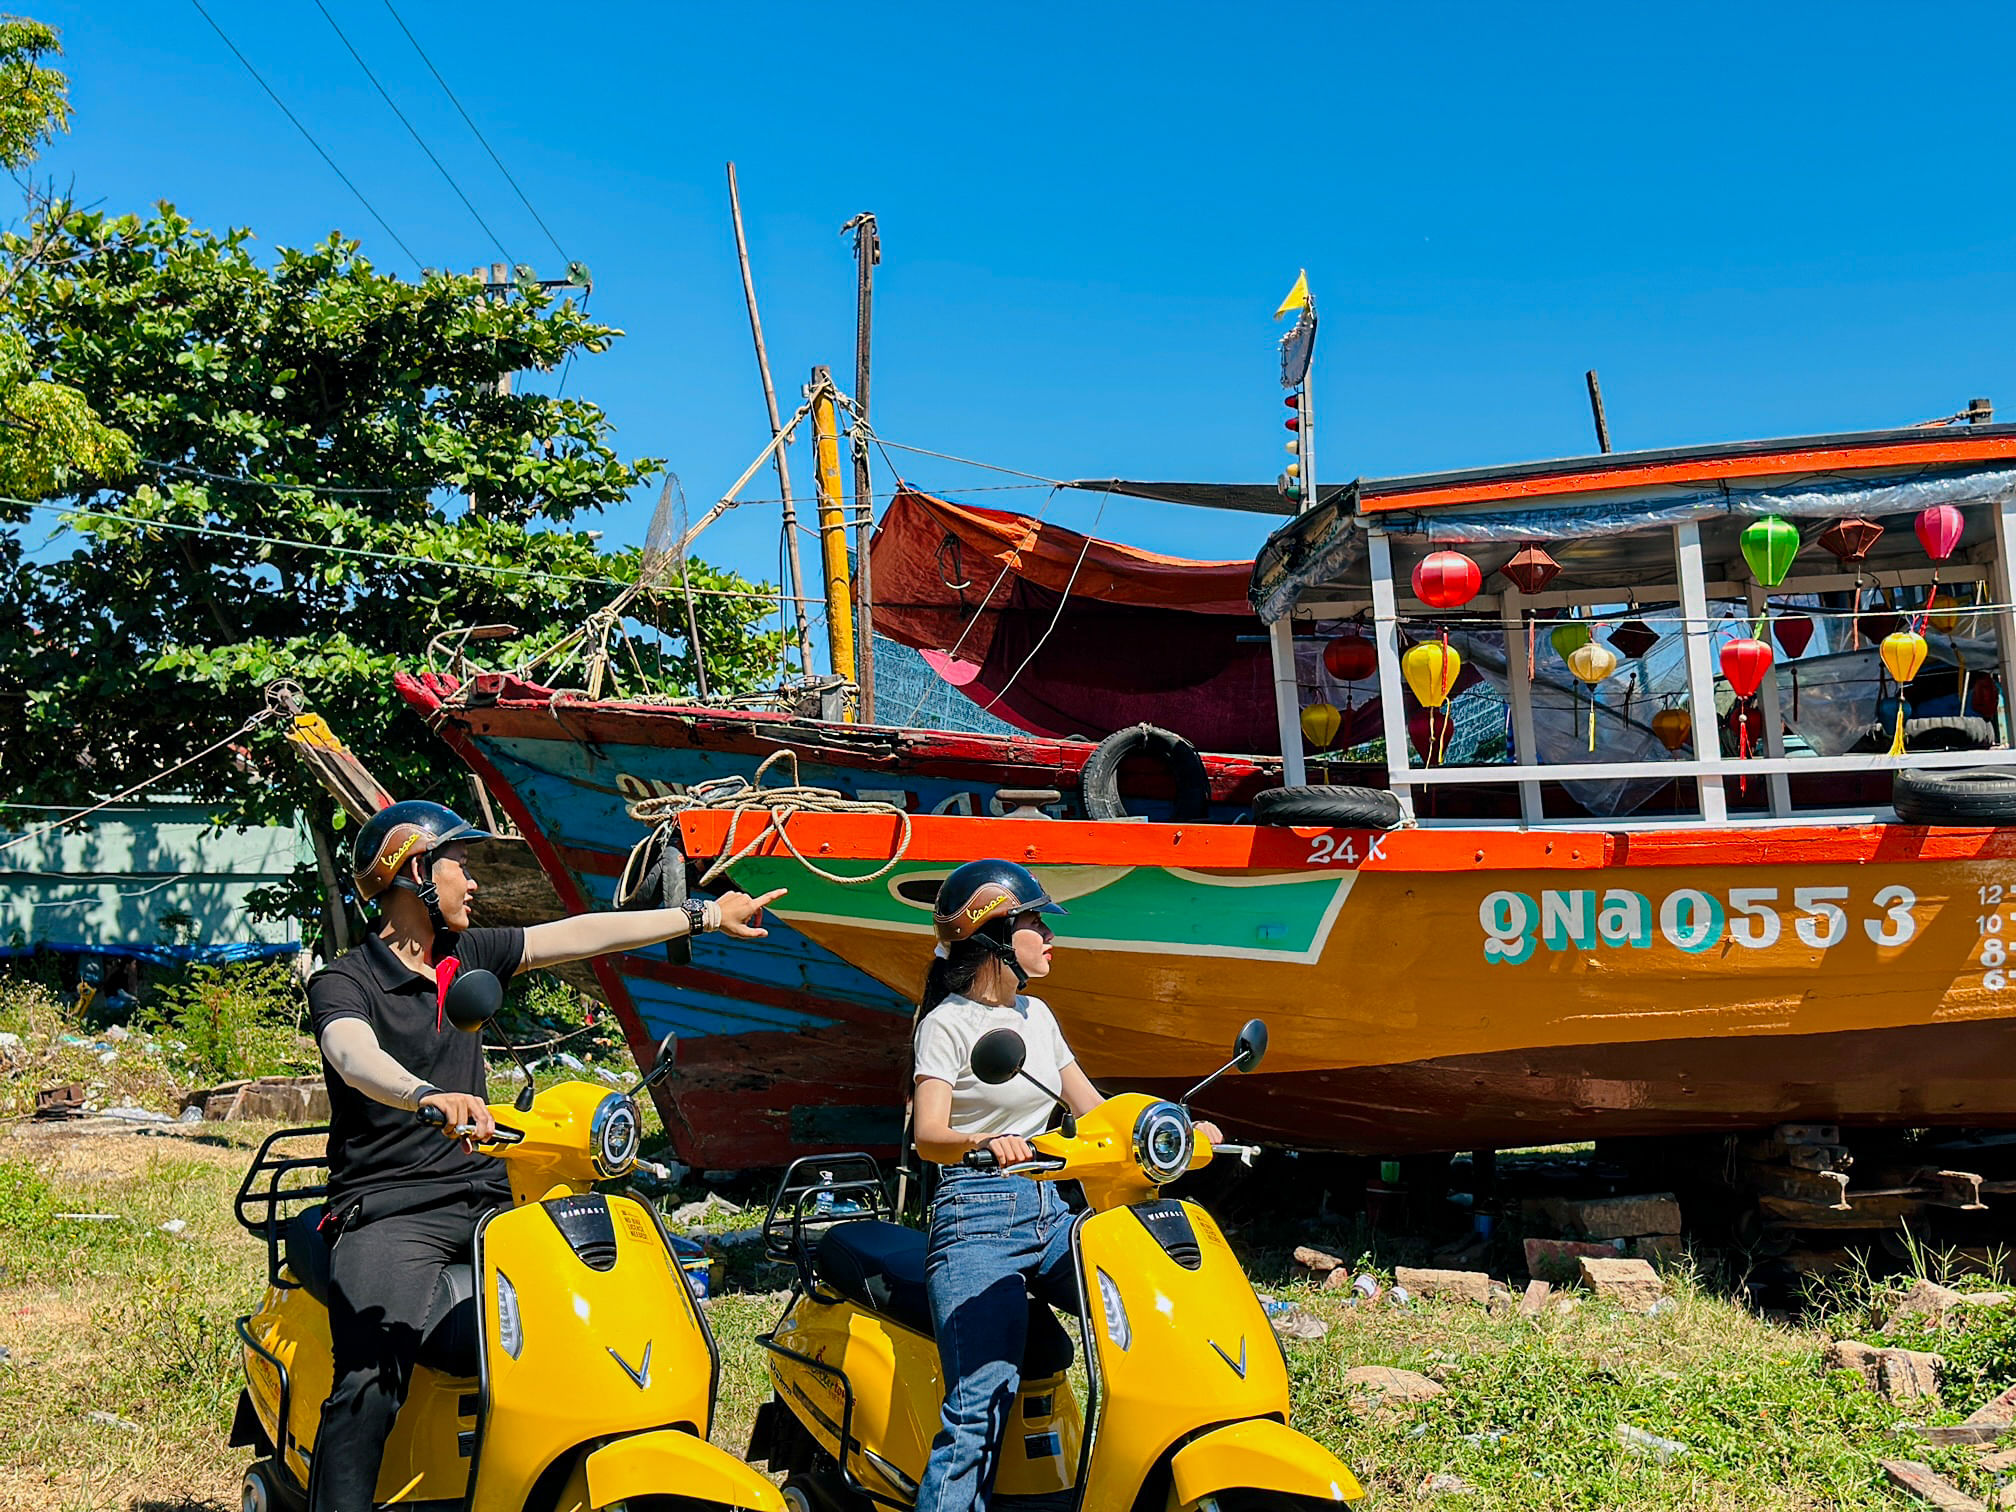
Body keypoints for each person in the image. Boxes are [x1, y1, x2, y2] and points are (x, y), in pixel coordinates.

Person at [304, 799, 783, 1512]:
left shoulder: (465, 955)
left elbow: (580, 934)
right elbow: (352, 1054)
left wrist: (703, 915)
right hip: (392, 1208)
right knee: (370, 1374)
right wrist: (424, 1094)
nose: (472, 881)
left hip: (489, 1198)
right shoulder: (346, 979)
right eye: (459, 865)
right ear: (414, 873)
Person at [909, 859, 1218, 1512]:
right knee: (978, 1402)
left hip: (1052, 1211)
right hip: (974, 1216)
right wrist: (983, 1143)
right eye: (1035, 923)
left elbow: (1095, 1112)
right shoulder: (947, 1025)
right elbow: (929, 1135)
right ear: (994, 935)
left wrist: (1172, 1130)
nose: (1050, 937)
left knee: (1159, 1315)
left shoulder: (1038, 1016)